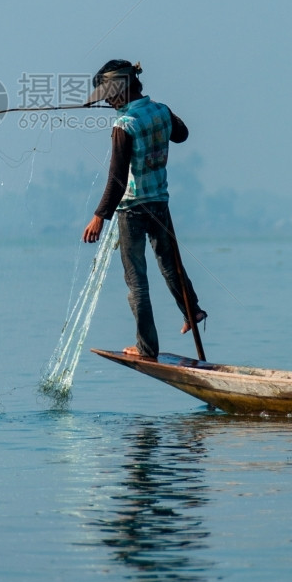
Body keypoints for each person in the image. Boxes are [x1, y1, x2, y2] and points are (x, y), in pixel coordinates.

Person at [82, 59, 206, 360]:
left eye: (111, 95)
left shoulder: (124, 125)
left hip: (132, 210)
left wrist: (99, 216)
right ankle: (193, 310)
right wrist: (159, 118)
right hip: (159, 202)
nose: (109, 101)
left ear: (124, 90)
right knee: (169, 264)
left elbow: (117, 178)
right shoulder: (161, 111)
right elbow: (182, 134)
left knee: (136, 280)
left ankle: (147, 348)